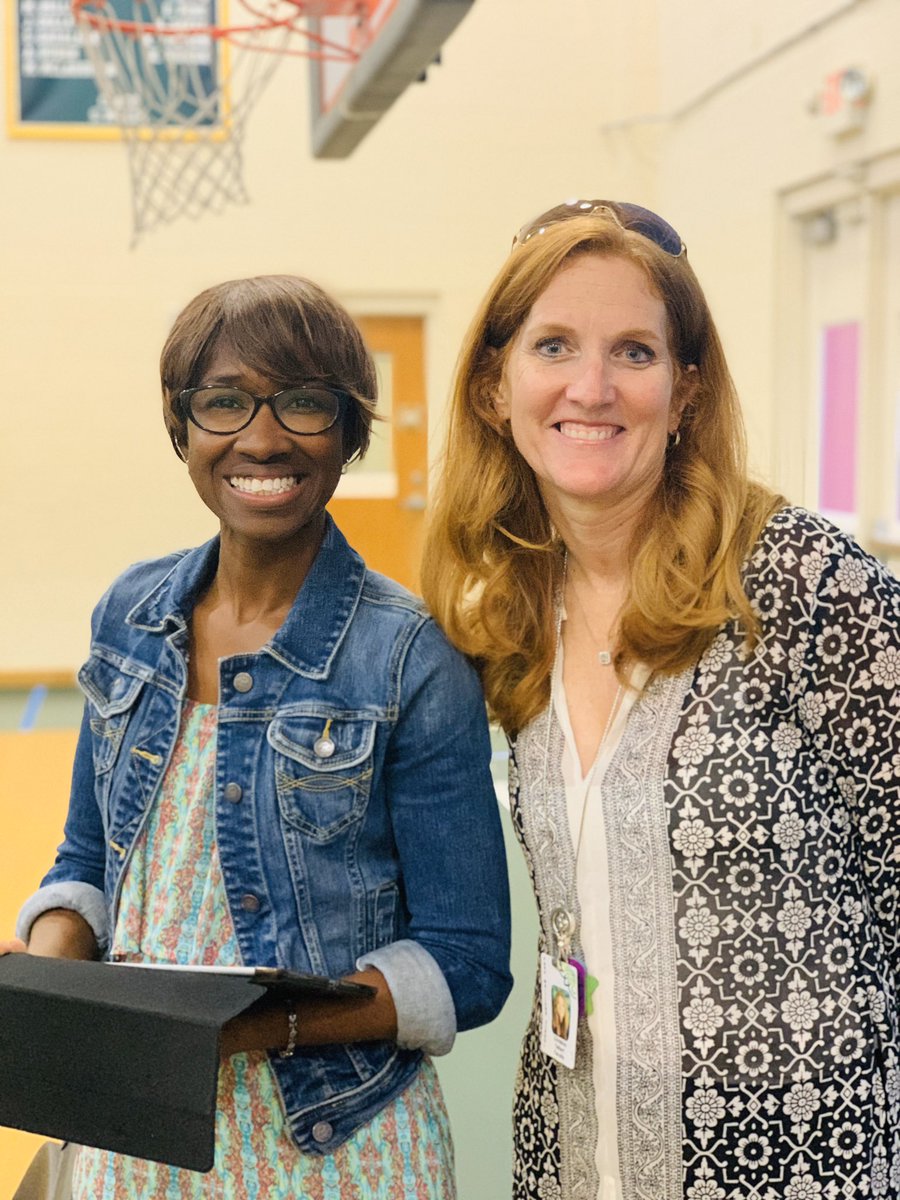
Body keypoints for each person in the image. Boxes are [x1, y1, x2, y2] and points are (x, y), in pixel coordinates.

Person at [421, 200, 900, 1199]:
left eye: (634, 352)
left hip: (805, 1169)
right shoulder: (509, 617)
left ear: (684, 393)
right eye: (554, 345)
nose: (591, 388)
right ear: (492, 390)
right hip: (572, 1161)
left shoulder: (798, 583)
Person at [3, 274, 512, 1199]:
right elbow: (87, 862)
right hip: (135, 1134)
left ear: (352, 433)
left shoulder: (409, 658)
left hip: (334, 1143)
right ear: (183, 429)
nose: (263, 437)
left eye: (306, 403)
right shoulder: (129, 614)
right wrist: (45, 988)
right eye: (225, 402)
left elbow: (466, 964)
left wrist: (242, 1027)